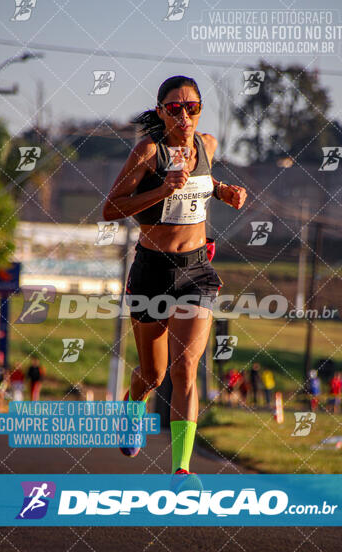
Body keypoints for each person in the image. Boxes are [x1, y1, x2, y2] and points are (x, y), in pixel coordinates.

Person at [103, 75, 247, 479]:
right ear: (161, 110)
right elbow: (111, 208)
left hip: (197, 271)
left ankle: (181, 470)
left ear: (201, 109)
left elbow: (202, 182)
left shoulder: (208, 145)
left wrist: (222, 192)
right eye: (175, 108)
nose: (185, 116)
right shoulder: (148, 152)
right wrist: (161, 191)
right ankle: (133, 406)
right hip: (152, 272)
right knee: (154, 374)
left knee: (186, 365)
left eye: (193, 107)